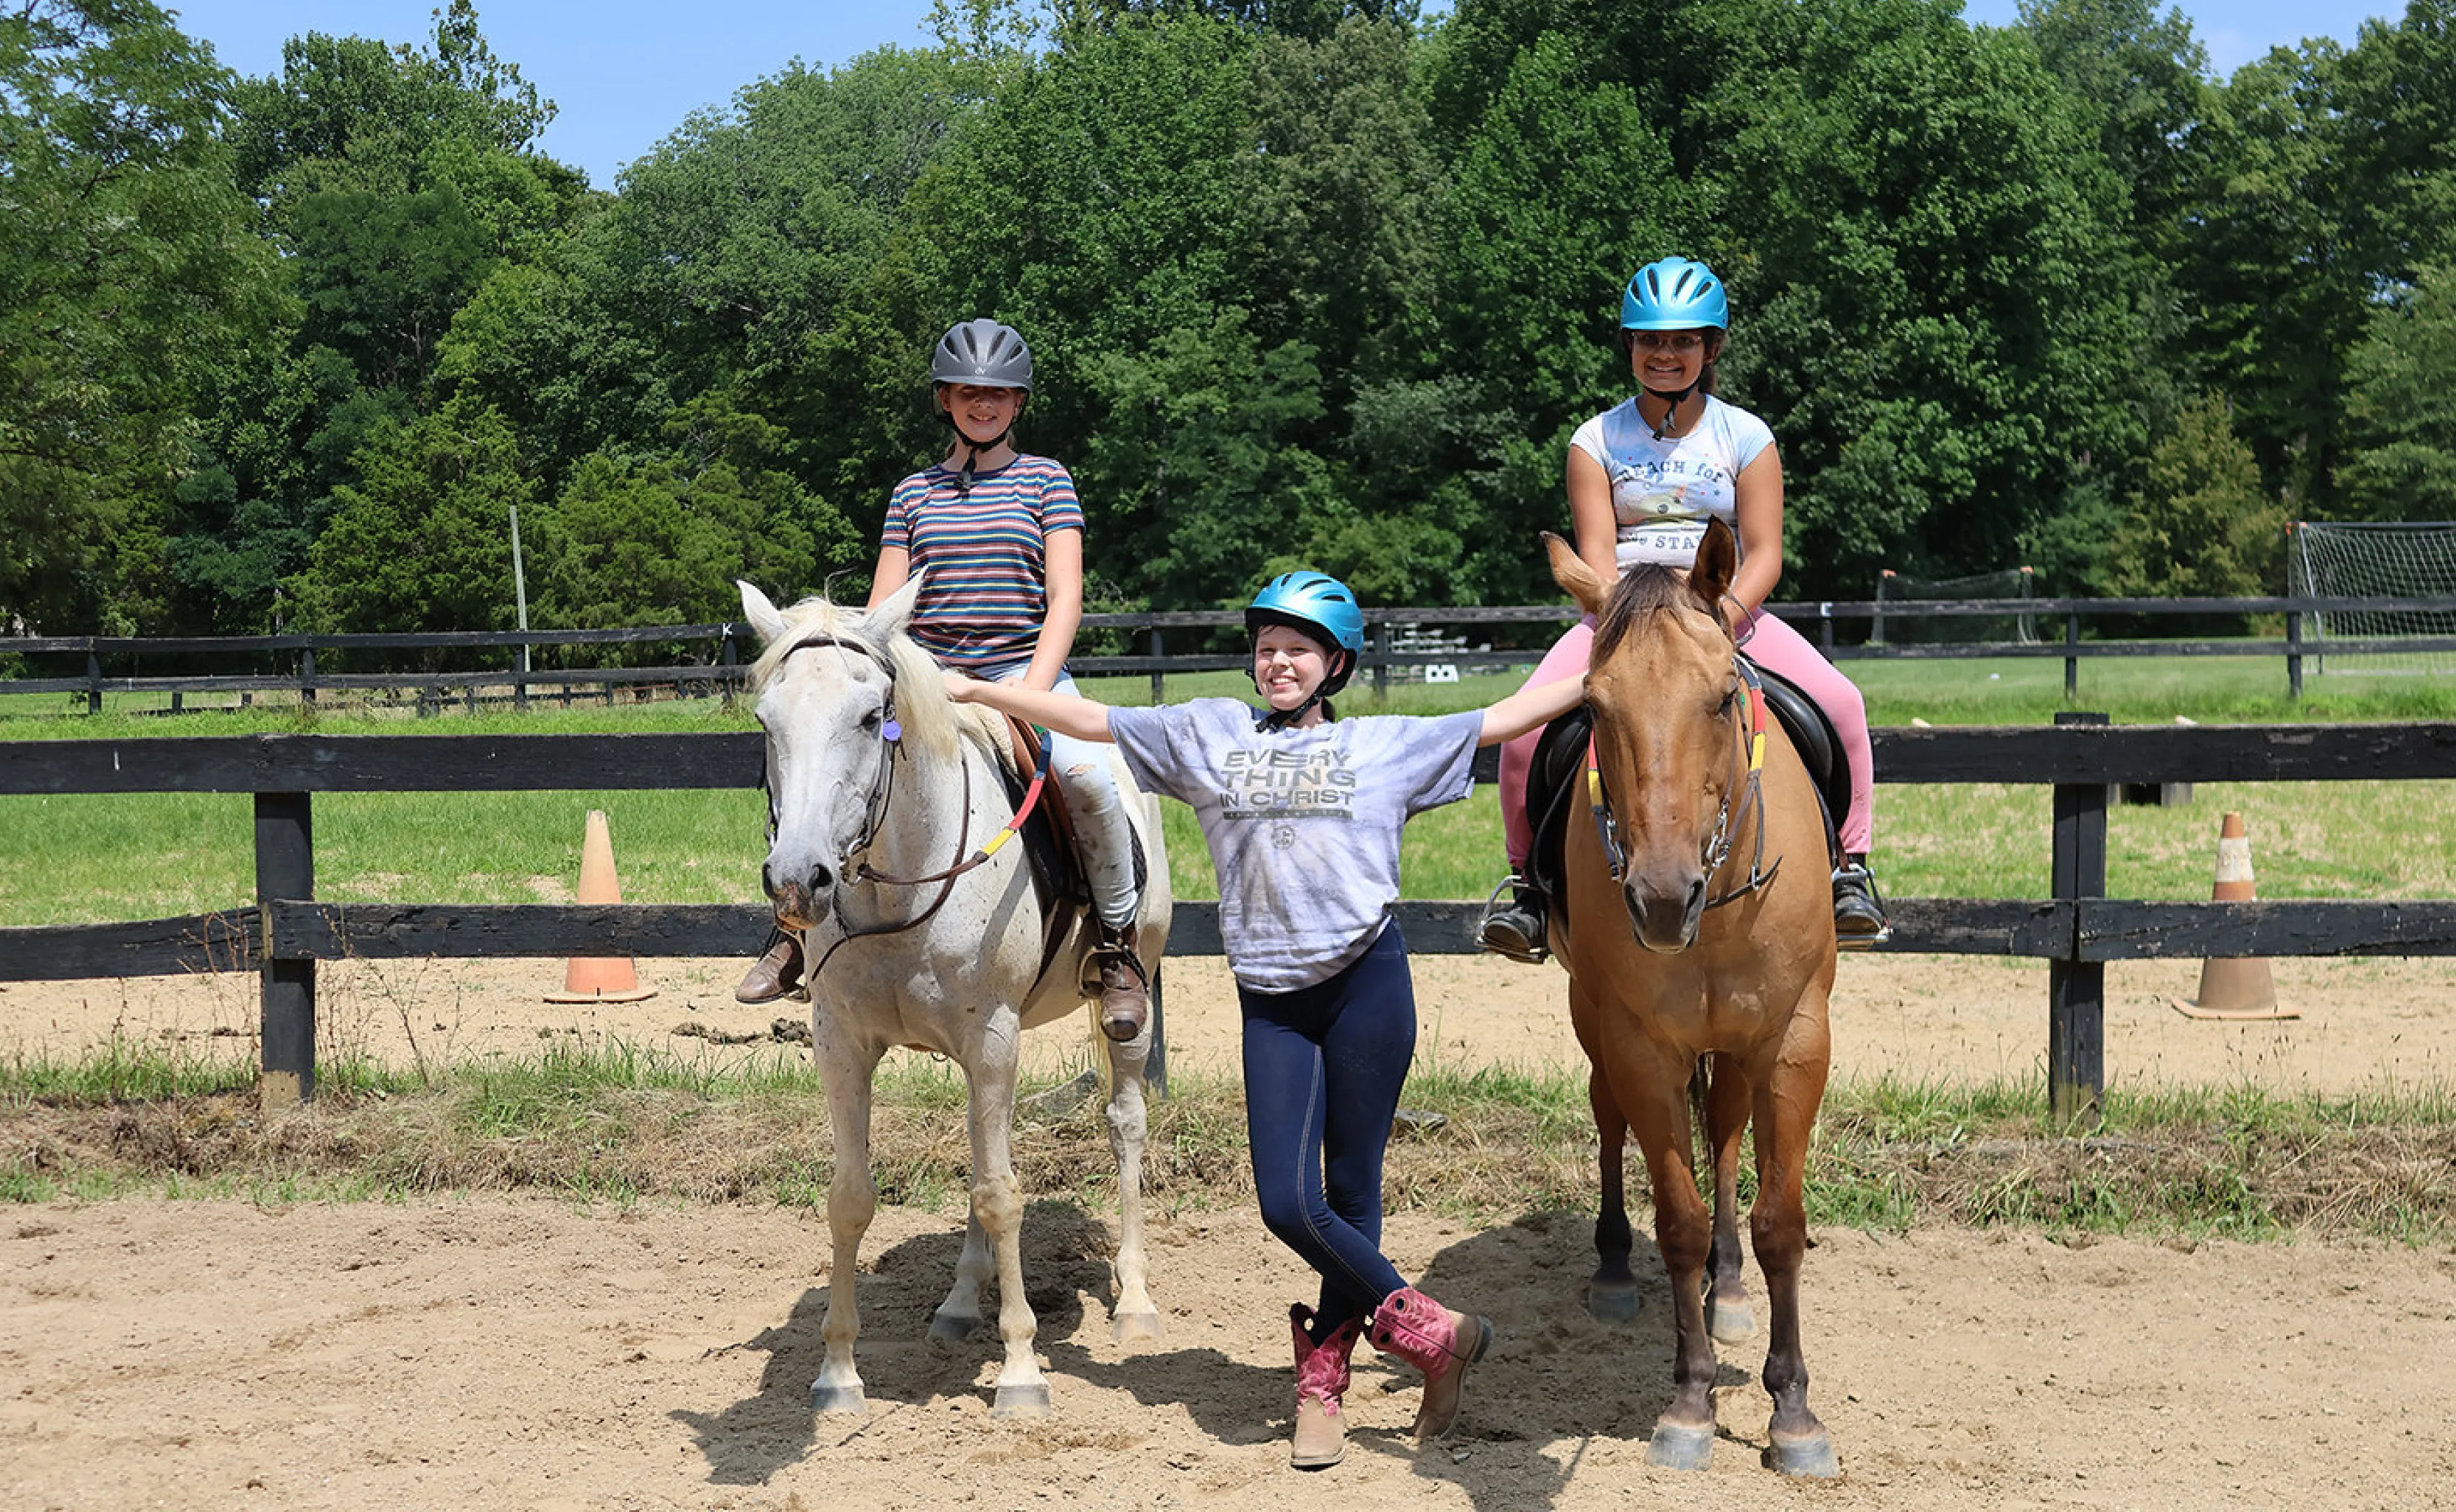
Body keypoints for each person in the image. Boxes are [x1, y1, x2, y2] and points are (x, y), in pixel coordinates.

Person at [947, 570, 1585, 1470]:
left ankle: (1322, 1380)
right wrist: (976, 689)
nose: (1278, 662)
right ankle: (1434, 1331)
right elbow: (1092, 723)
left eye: (1299, 650)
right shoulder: (1209, 734)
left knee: (1352, 1193)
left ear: (1335, 663)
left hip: (1369, 986)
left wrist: (1603, 670)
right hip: (1275, 1002)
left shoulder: (1385, 744)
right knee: (1288, 1201)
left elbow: (1506, 719)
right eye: (1266, 647)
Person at [736, 318, 1147, 1040]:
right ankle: (796, 928)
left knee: (1088, 779)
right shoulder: (912, 495)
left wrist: (1033, 694)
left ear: (1017, 403)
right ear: (945, 400)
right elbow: (881, 615)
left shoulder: (1047, 481)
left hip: (1024, 668)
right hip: (928, 679)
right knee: (834, 767)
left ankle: (1115, 950)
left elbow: (1066, 599)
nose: (981, 405)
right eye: (966, 393)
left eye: (996, 394)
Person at [1481, 255, 1886, 962]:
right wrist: (1627, 621)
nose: (1664, 355)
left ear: (1711, 348)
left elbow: (1764, 552)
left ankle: (1850, 871)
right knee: (1522, 738)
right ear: (1629, 347)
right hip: (1622, 616)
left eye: (1682, 342)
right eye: (1649, 341)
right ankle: (1528, 891)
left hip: (1723, 611)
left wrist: (1719, 616)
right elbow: (1598, 553)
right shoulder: (1594, 441)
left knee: (1843, 704)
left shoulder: (1746, 436)